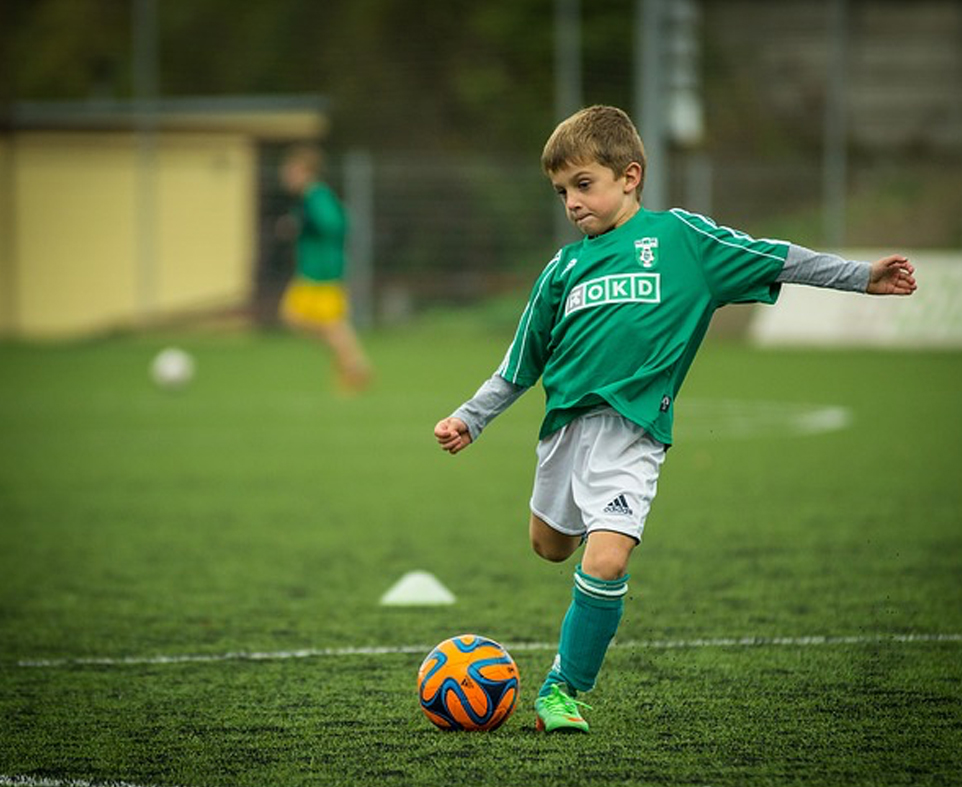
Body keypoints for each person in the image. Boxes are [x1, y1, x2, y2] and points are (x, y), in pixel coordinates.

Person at [433, 105, 916, 734]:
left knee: (605, 562)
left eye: (584, 185)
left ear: (629, 176)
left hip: (634, 435)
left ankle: (562, 689)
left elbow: (776, 257)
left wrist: (860, 276)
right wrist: (471, 419)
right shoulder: (562, 270)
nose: (572, 203)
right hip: (564, 435)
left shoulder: (683, 240)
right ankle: (592, 542)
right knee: (549, 547)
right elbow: (519, 363)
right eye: (561, 192)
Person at [278, 144, 372, 392]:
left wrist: (305, 223)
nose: (287, 176)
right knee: (298, 319)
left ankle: (354, 366)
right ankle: (350, 362)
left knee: (329, 324)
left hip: (322, 271)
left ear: (305, 172)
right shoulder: (308, 199)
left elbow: (336, 223)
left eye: (292, 171)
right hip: (311, 270)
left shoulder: (316, 196)